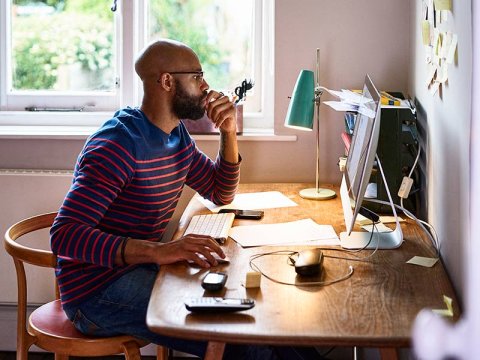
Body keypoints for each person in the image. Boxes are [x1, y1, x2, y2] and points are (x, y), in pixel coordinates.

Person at [50, 39, 321, 360]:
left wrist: (229, 131)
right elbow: (64, 236)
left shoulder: (175, 136)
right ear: (166, 81)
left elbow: (220, 192)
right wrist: (160, 251)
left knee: (269, 320)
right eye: (197, 76)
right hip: (96, 293)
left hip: (140, 270)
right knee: (245, 340)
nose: (206, 86)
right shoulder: (117, 146)